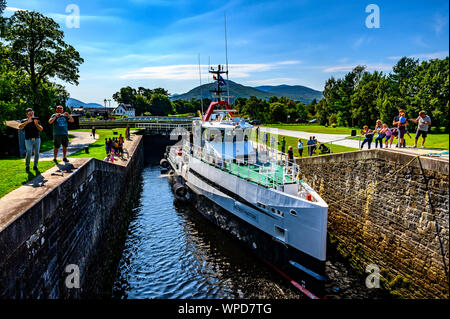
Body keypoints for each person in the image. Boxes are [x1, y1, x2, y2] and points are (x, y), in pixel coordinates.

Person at [18, 108, 43, 172]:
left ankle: (35, 166)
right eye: (29, 113)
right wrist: (27, 122)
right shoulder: (24, 120)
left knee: (36, 153)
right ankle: (27, 166)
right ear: (27, 114)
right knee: (29, 152)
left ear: (33, 113)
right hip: (28, 139)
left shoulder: (36, 120)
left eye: (32, 112)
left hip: (37, 139)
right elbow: (20, 127)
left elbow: (41, 129)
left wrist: (36, 124)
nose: (31, 114)